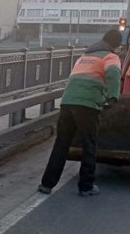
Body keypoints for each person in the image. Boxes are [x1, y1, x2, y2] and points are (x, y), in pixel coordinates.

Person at [37, 29, 122, 197]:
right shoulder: (110, 57)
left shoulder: (85, 57)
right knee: (89, 145)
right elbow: (113, 73)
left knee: (61, 144)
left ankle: (46, 184)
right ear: (116, 45)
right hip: (87, 105)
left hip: (67, 102)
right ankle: (86, 186)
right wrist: (113, 96)